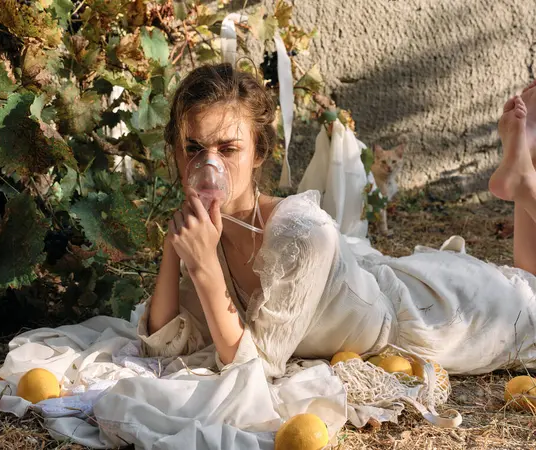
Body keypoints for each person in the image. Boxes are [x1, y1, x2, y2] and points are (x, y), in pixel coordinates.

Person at [136, 63, 536, 379]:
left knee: (531, 292)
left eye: (228, 149)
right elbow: (165, 345)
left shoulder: (301, 234)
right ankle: (524, 176)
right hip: (388, 286)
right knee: (530, 277)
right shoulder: (213, 229)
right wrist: (176, 245)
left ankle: (526, 181)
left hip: (438, 319)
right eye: (194, 148)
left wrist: (204, 265)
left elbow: (251, 369)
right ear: (175, 151)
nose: (208, 165)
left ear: (259, 153)